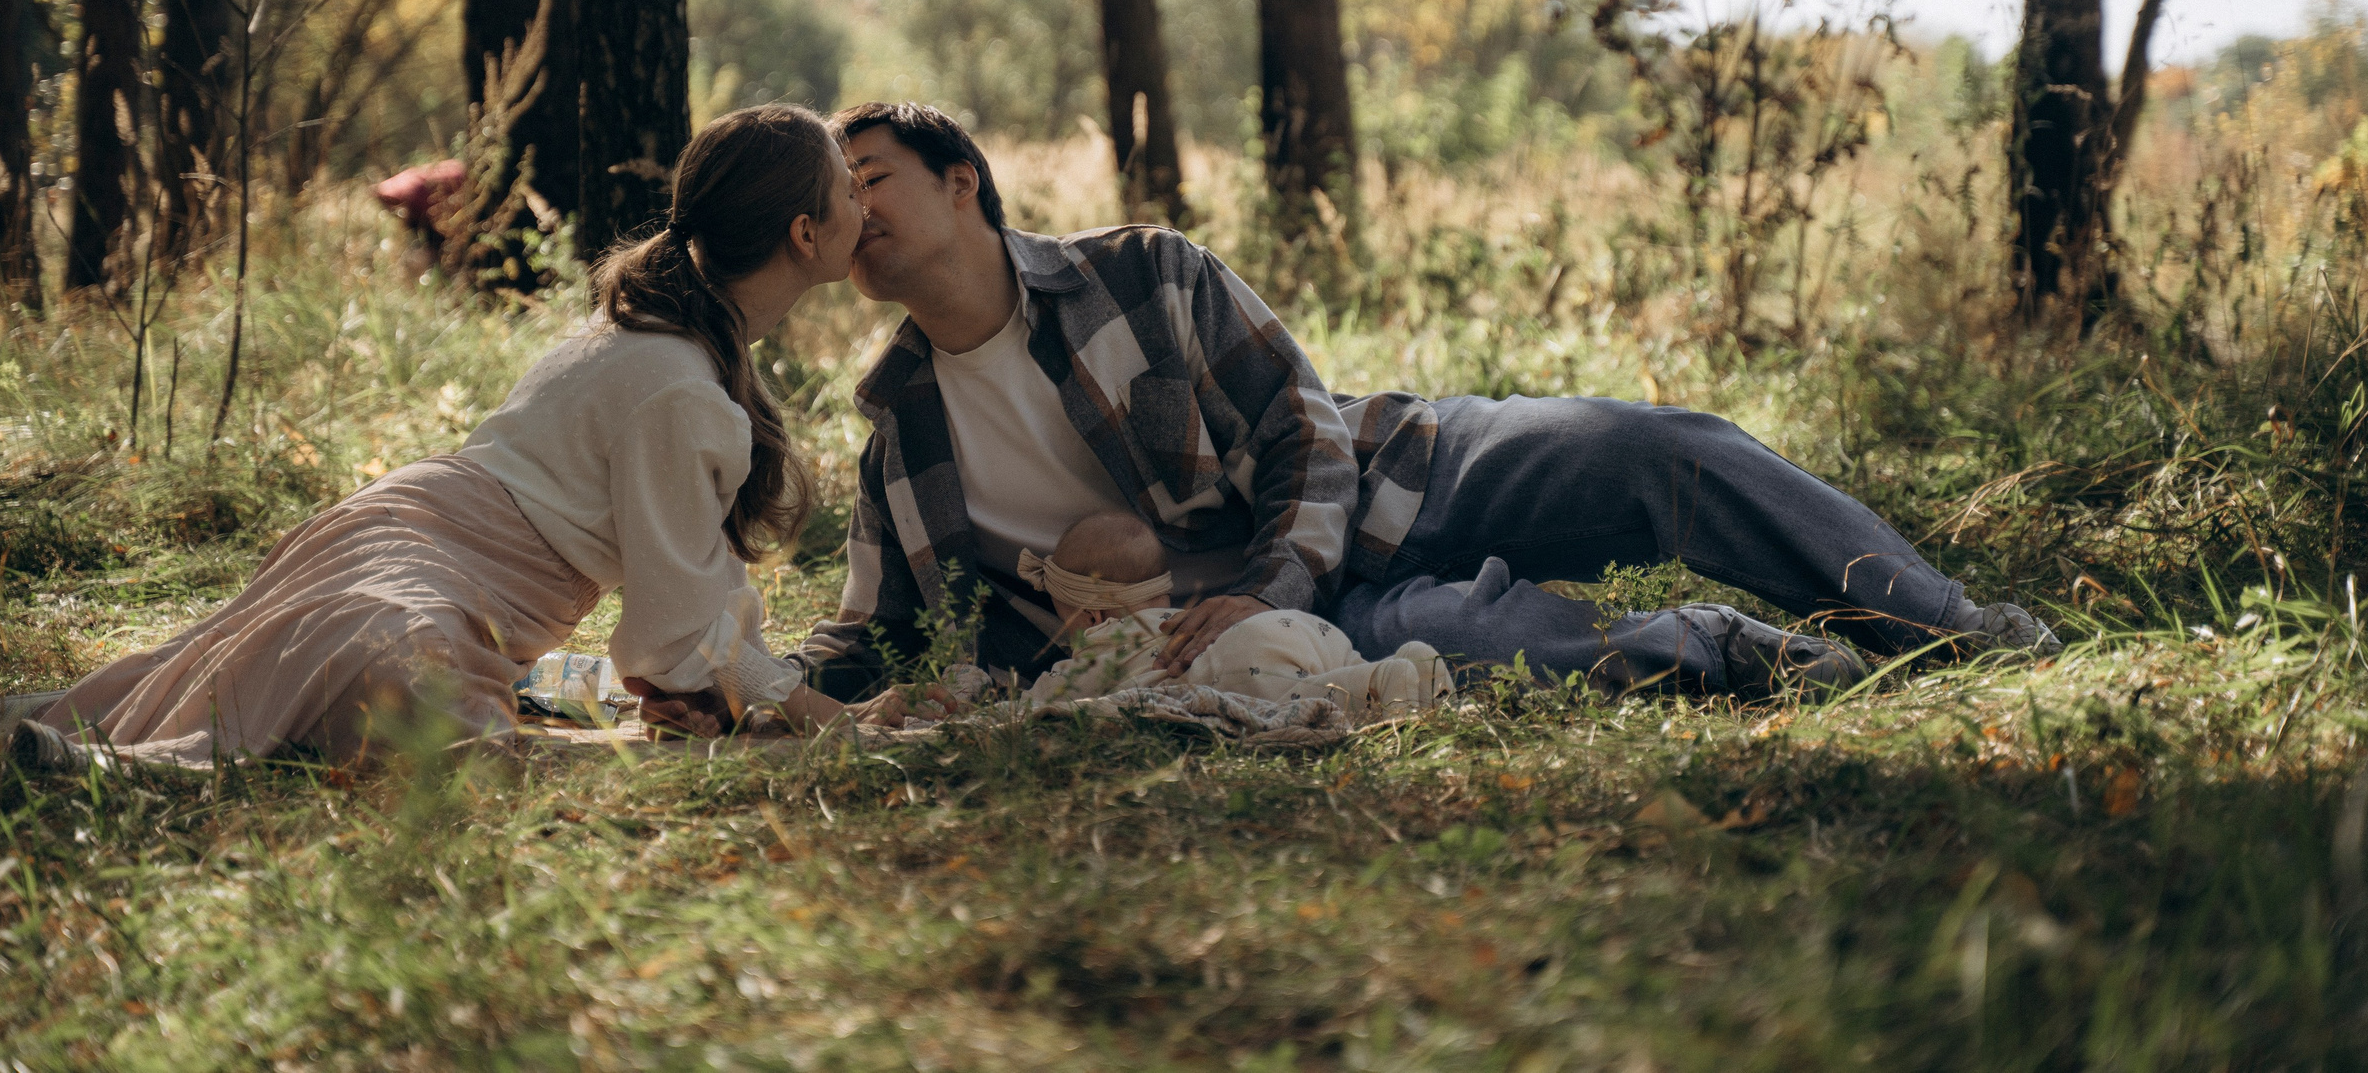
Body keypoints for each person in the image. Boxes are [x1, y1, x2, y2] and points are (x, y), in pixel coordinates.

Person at [787, 102, 2055, 705]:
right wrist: (726, 690)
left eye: (874, 174)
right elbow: (863, 630)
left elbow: (1301, 428)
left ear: (963, 183)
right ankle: (1745, 650)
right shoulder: (902, 434)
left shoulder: (1137, 274)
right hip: (1274, 639)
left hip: (1395, 472)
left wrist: (1275, 574)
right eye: (836, 196)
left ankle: (1953, 626)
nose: (855, 209)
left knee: (1658, 448)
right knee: (1490, 648)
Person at [0, 105, 888, 770]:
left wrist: (748, 691)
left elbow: (692, 623)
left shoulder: (666, 339)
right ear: (806, 233)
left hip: (394, 533)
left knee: (299, 682)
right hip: (417, 573)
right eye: (853, 188)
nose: (868, 205)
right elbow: (684, 639)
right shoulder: (678, 384)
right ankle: (99, 764)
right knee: (438, 728)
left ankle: (77, 738)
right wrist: (828, 717)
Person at [1019, 510, 1454, 720]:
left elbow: (1043, 706)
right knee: (1340, 665)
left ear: (1093, 618)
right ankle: (1414, 665)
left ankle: (1385, 683)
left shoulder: (1102, 647)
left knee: (1302, 697)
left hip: (1247, 654)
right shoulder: (1177, 616)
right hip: (1295, 625)